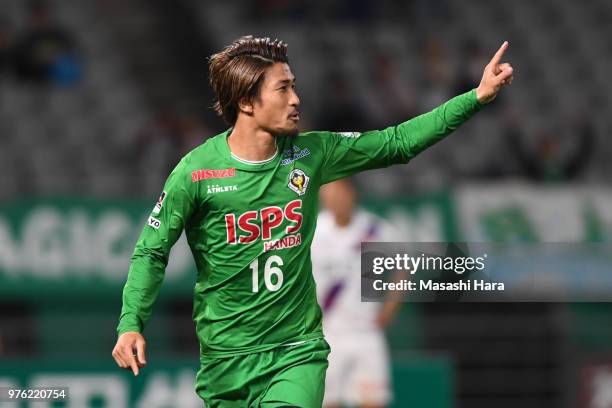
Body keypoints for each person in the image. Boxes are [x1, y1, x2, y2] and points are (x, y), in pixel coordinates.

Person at [112, 35, 513, 407]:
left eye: (294, 85)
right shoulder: (195, 173)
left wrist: (475, 97)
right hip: (225, 359)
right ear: (247, 102)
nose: (296, 99)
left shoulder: (311, 153)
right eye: (282, 89)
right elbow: (152, 250)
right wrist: (131, 323)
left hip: (296, 351)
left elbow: (397, 142)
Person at [311, 178, 403, 408]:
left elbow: (403, 267)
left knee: (373, 402)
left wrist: (390, 308)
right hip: (327, 333)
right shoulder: (313, 231)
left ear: (351, 194)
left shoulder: (375, 229)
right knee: (328, 403)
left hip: (366, 332)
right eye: (329, 195)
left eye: (339, 193)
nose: (335, 200)